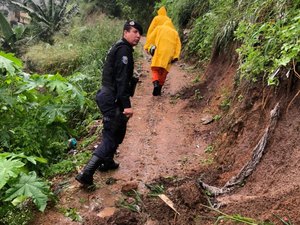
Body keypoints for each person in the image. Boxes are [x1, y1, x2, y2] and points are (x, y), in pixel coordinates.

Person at [75, 20, 143, 187]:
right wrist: (126, 105)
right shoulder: (124, 50)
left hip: (109, 95)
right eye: (134, 32)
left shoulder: (121, 47)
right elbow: (121, 81)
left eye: (139, 33)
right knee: (111, 135)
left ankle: (108, 162)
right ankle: (87, 173)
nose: (138, 35)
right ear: (125, 32)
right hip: (112, 97)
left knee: (118, 130)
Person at [144, 20, 181, 96]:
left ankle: (155, 83)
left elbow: (151, 37)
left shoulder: (159, 28)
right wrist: (176, 56)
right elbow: (178, 46)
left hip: (159, 53)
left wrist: (147, 47)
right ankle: (159, 89)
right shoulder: (175, 33)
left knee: (155, 70)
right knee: (164, 72)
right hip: (169, 55)